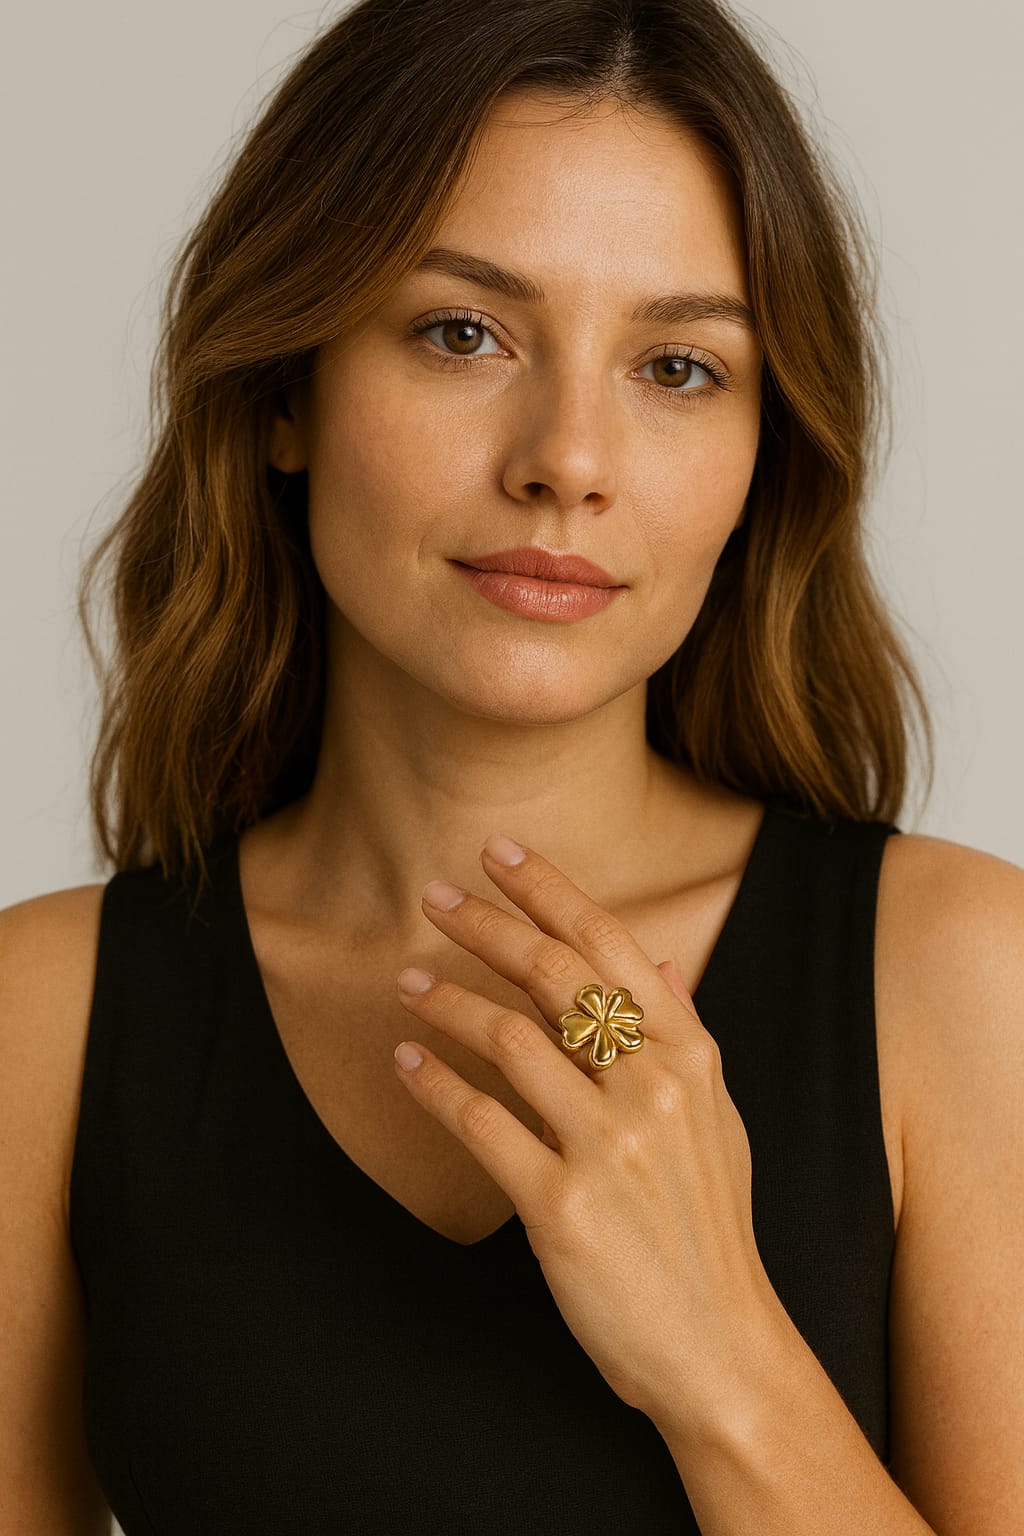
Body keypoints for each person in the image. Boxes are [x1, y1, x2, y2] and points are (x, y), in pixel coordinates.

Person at [1, 0, 1021, 1529]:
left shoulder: (961, 981)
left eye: (677, 367)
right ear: (288, 388)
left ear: (765, 452)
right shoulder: (44, 1021)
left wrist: (724, 1356)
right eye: (462, 332)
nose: (568, 458)